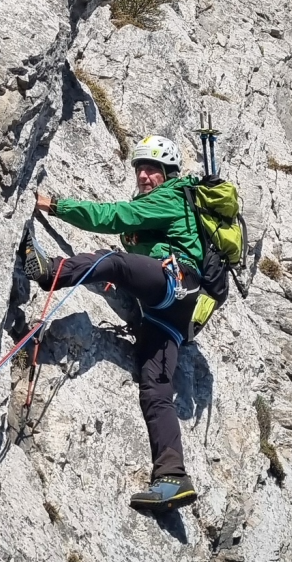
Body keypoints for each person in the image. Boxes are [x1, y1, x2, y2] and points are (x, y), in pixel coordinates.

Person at [23, 135, 204, 513]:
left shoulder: (171, 198)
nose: (144, 176)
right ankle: (173, 477)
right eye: (140, 168)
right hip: (172, 314)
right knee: (155, 387)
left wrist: (55, 205)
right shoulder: (163, 206)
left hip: (174, 283)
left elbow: (115, 216)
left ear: (169, 173)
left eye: (153, 169)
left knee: (116, 262)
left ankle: (50, 271)